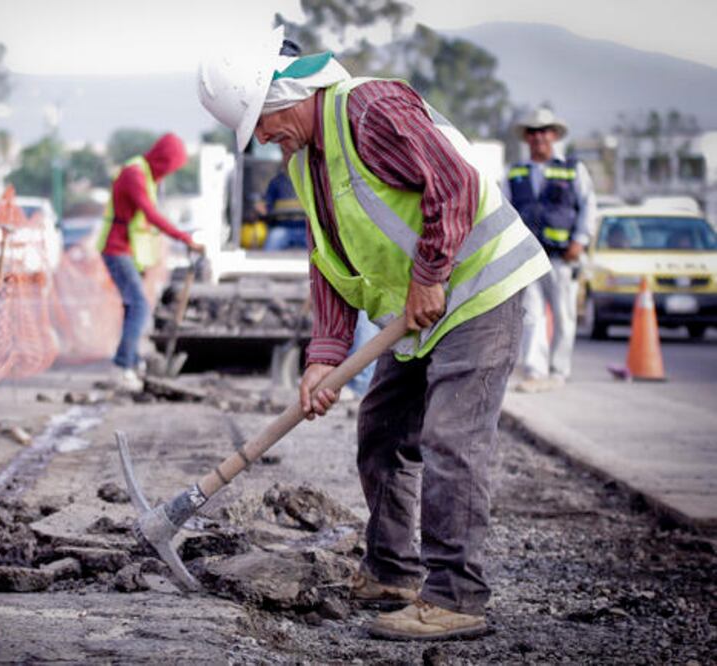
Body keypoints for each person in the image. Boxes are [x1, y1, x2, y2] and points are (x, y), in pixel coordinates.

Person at [198, 28, 550, 641]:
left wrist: (431, 273)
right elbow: (329, 262)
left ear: (287, 90)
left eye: (261, 119)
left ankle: (457, 597)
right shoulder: (305, 162)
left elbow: (456, 183)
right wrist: (325, 357)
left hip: (477, 291)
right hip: (419, 311)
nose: (260, 136)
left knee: (451, 439)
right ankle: (392, 572)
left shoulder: (369, 106)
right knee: (383, 428)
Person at [97, 133, 205, 391]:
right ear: (163, 159)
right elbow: (150, 214)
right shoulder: (135, 174)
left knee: (132, 307)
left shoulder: (145, 174)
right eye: (170, 166)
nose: (168, 173)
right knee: (140, 306)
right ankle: (123, 366)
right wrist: (184, 238)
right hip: (116, 249)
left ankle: (131, 362)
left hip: (129, 252)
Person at [505, 108, 596, 393]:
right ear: (526, 138)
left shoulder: (573, 169)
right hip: (528, 257)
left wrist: (579, 240)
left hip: (562, 256)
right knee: (531, 315)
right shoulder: (515, 173)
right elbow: (504, 213)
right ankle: (535, 370)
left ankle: (558, 371)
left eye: (543, 131)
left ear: (554, 135)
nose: (538, 137)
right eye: (532, 132)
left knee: (564, 314)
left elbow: (588, 206)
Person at [263, 168, 307, 250]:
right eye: (285, 155)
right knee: (273, 240)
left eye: (291, 154)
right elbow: (267, 206)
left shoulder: (308, 181)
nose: (288, 157)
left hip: (305, 228)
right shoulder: (275, 182)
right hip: (283, 227)